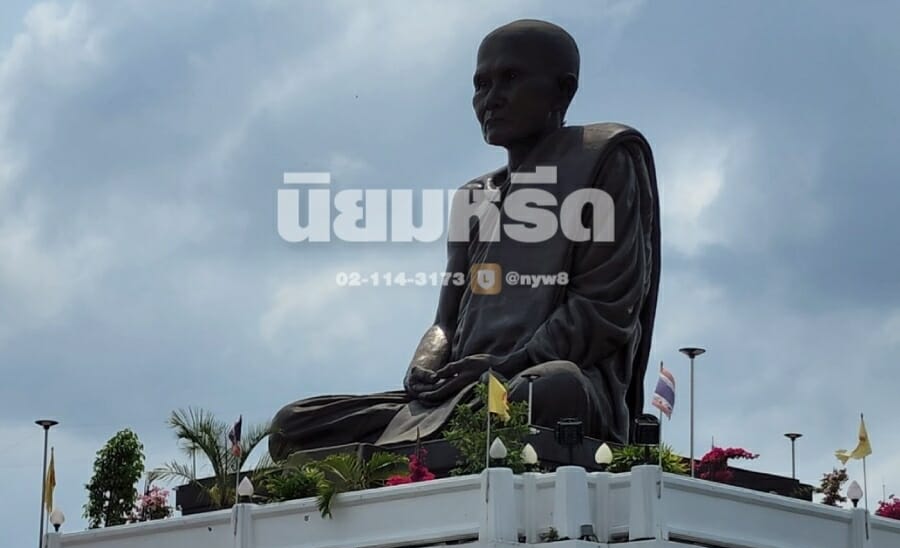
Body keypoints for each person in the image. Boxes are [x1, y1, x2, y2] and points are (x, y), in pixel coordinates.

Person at [269, 19, 660, 460]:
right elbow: (446, 322)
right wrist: (426, 364)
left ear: (562, 91)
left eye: (510, 79)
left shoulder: (603, 160)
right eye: (481, 84)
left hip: (536, 380)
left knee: (555, 389)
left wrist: (505, 366)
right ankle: (430, 442)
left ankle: (418, 447)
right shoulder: (474, 199)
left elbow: (605, 310)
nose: (490, 99)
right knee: (293, 422)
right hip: (456, 392)